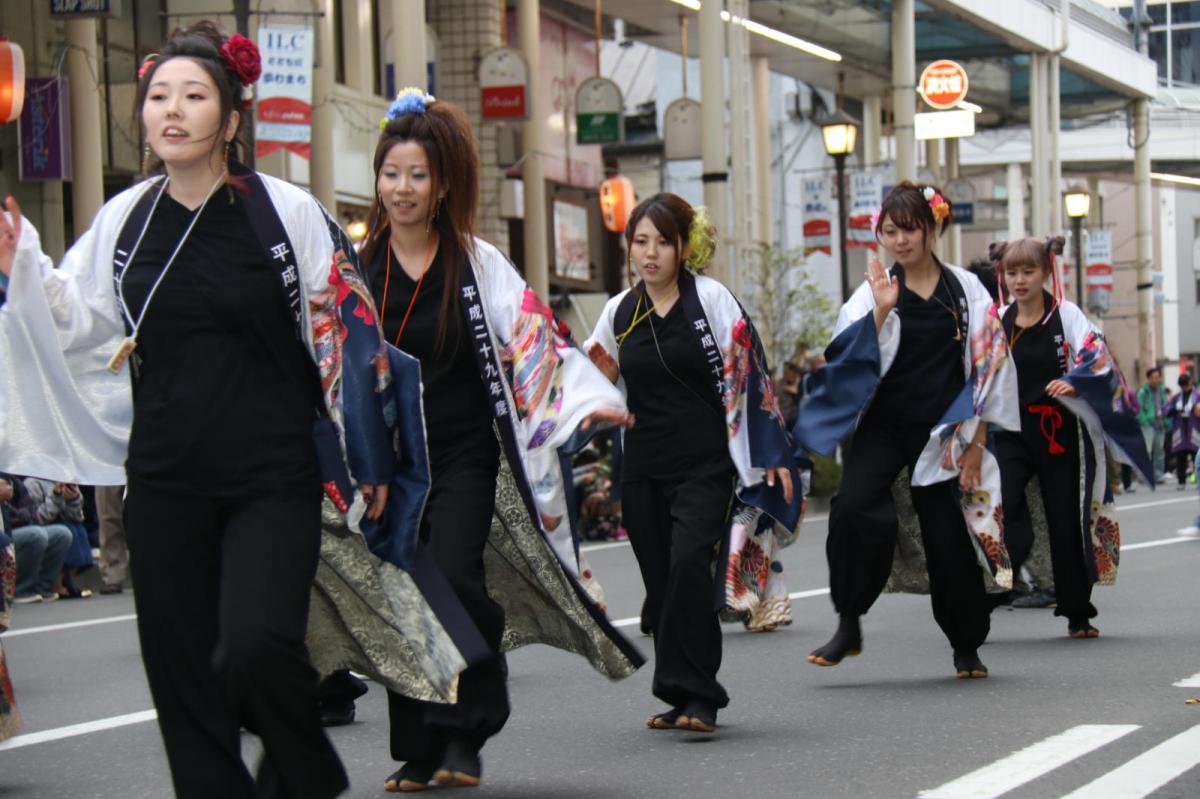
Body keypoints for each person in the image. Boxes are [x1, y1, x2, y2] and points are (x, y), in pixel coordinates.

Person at [0, 21, 419, 797]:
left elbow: (349, 332)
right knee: (181, 666)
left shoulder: (283, 212)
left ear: (230, 119)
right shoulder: (126, 219)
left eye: (194, 96)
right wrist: (21, 256)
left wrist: (373, 448)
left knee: (259, 643)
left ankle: (303, 771)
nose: (172, 110)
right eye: (159, 95)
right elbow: (75, 318)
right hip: (164, 474)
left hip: (273, 471)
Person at [339, 88, 639, 792]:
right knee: (405, 596)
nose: (402, 188)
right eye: (390, 174)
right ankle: (421, 748)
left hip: (464, 453)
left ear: (442, 184)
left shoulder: (475, 263)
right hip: (389, 465)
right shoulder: (356, 271)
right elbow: (326, 358)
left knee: (452, 574)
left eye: (417, 175)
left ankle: (466, 729)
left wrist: (590, 400)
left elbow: (534, 336)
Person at [587, 193, 800, 732]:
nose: (650, 253)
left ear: (684, 247)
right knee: (662, 584)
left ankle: (701, 695)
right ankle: (679, 693)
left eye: (663, 242)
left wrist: (772, 450)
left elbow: (752, 373)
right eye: (640, 242)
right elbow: (593, 377)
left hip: (705, 464)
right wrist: (593, 399)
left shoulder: (710, 300)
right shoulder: (619, 312)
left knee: (688, 565)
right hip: (642, 466)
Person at [794, 182, 1019, 679]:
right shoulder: (873, 290)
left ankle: (966, 644)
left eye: (910, 229)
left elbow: (991, 366)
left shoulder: (965, 290)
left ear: (931, 229)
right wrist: (880, 311)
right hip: (884, 425)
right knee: (852, 507)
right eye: (890, 231)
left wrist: (977, 444)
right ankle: (849, 621)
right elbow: (843, 360)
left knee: (946, 538)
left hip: (943, 432)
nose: (900, 240)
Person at [990, 236, 1150, 639]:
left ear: (1047, 272)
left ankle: (1077, 611)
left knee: (1065, 519)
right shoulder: (1000, 319)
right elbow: (979, 369)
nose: (1019, 280)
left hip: (1059, 431)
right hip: (1012, 430)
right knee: (1002, 506)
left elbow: (1097, 355)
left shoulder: (1066, 315)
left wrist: (1076, 381)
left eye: (1029, 271)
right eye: (1012, 272)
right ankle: (997, 584)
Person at [3, 473, 74, 604]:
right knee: (35, 535)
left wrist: (62, 497)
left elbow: (34, 514)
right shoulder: (29, 483)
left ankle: (42, 588)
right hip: (4, 534)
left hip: (19, 530)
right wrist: (3, 502)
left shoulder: (12, 481)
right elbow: (13, 518)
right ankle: (20, 590)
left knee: (62, 534)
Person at [1163, 373, 1200, 489]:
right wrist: (1174, 408)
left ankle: (1198, 480)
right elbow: (1165, 409)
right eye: (1182, 386)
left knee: (1197, 457)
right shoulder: (1176, 397)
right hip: (1180, 430)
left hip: (1195, 429)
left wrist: (1195, 408)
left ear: (1190, 383)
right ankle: (1181, 481)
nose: (1184, 388)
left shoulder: (1197, 395)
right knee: (1180, 457)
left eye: (1186, 385)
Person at [1137, 368, 1168, 485]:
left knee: (1159, 451)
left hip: (1160, 424)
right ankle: (1144, 475)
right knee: (1147, 451)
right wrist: (1144, 420)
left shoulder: (1162, 390)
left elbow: (1166, 405)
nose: (1156, 380)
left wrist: (1166, 420)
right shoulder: (1143, 392)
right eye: (1153, 378)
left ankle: (1158, 475)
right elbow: (1138, 408)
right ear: (1148, 379)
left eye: (1157, 377)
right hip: (1148, 424)